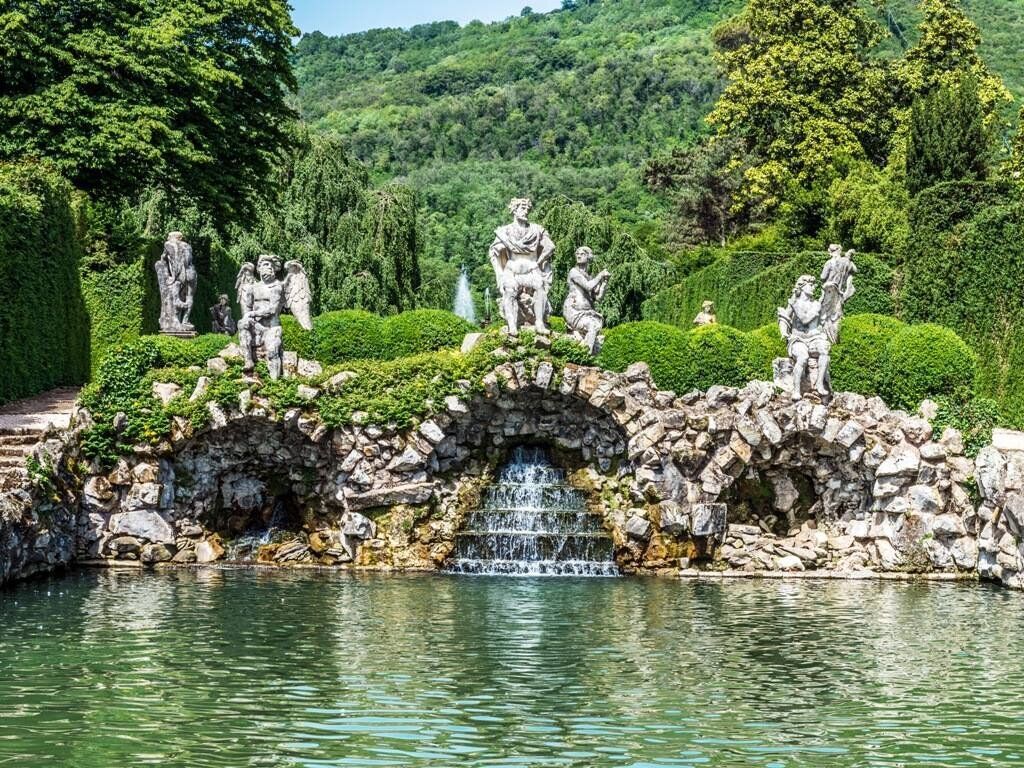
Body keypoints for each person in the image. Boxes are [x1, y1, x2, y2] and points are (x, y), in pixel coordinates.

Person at [488, 198, 556, 337]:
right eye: (522, 208)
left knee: (540, 287)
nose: (526, 211)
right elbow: (494, 252)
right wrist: (499, 271)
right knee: (509, 292)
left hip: (532, 268)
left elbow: (550, 247)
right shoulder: (505, 231)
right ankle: (512, 326)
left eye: (527, 209)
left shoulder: (536, 230)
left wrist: (539, 262)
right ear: (514, 210)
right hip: (512, 269)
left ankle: (539, 323)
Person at [778, 275, 832, 402]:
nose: (814, 287)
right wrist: (783, 331)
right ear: (802, 287)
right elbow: (784, 317)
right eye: (811, 285)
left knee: (824, 351)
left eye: (814, 285)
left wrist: (794, 305)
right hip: (797, 339)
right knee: (802, 357)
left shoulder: (816, 304)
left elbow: (805, 319)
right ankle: (796, 390)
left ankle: (819, 383)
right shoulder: (794, 303)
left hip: (814, 338)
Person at [239, 255, 286, 379]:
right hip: (256, 327)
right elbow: (247, 309)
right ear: (259, 268)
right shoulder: (252, 288)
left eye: (271, 265)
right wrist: (248, 318)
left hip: (271, 326)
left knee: (272, 351)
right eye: (265, 264)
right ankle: (248, 361)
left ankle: (275, 384)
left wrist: (252, 314)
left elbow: (272, 309)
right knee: (242, 323)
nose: (269, 267)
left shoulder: (277, 286)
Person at [563, 247, 611, 354]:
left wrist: (604, 283)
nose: (579, 256)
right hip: (574, 311)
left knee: (594, 327)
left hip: (587, 313)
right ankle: (585, 355)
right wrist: (600, 275)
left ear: (588, 257)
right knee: (592, 326)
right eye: (577, 254)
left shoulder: (589, 277)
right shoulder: (573, 272)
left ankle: (585, 352)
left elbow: (598, 298)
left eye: (582, 254)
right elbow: (588, 286)